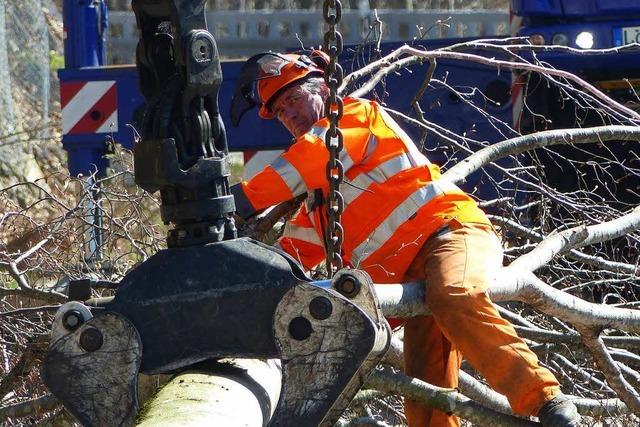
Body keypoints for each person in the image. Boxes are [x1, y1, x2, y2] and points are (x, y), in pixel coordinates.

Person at [229, 51, 580, 427]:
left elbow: (304, 160)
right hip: (415, 281)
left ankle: (546, 401)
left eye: (294, 100)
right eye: (281, 111)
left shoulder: (354, 118)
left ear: (324, 91)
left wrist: (233, 200)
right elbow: (290, 257)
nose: (290, 115)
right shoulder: (319, 204)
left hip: (450, 232)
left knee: (455, 293)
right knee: (426, 387)